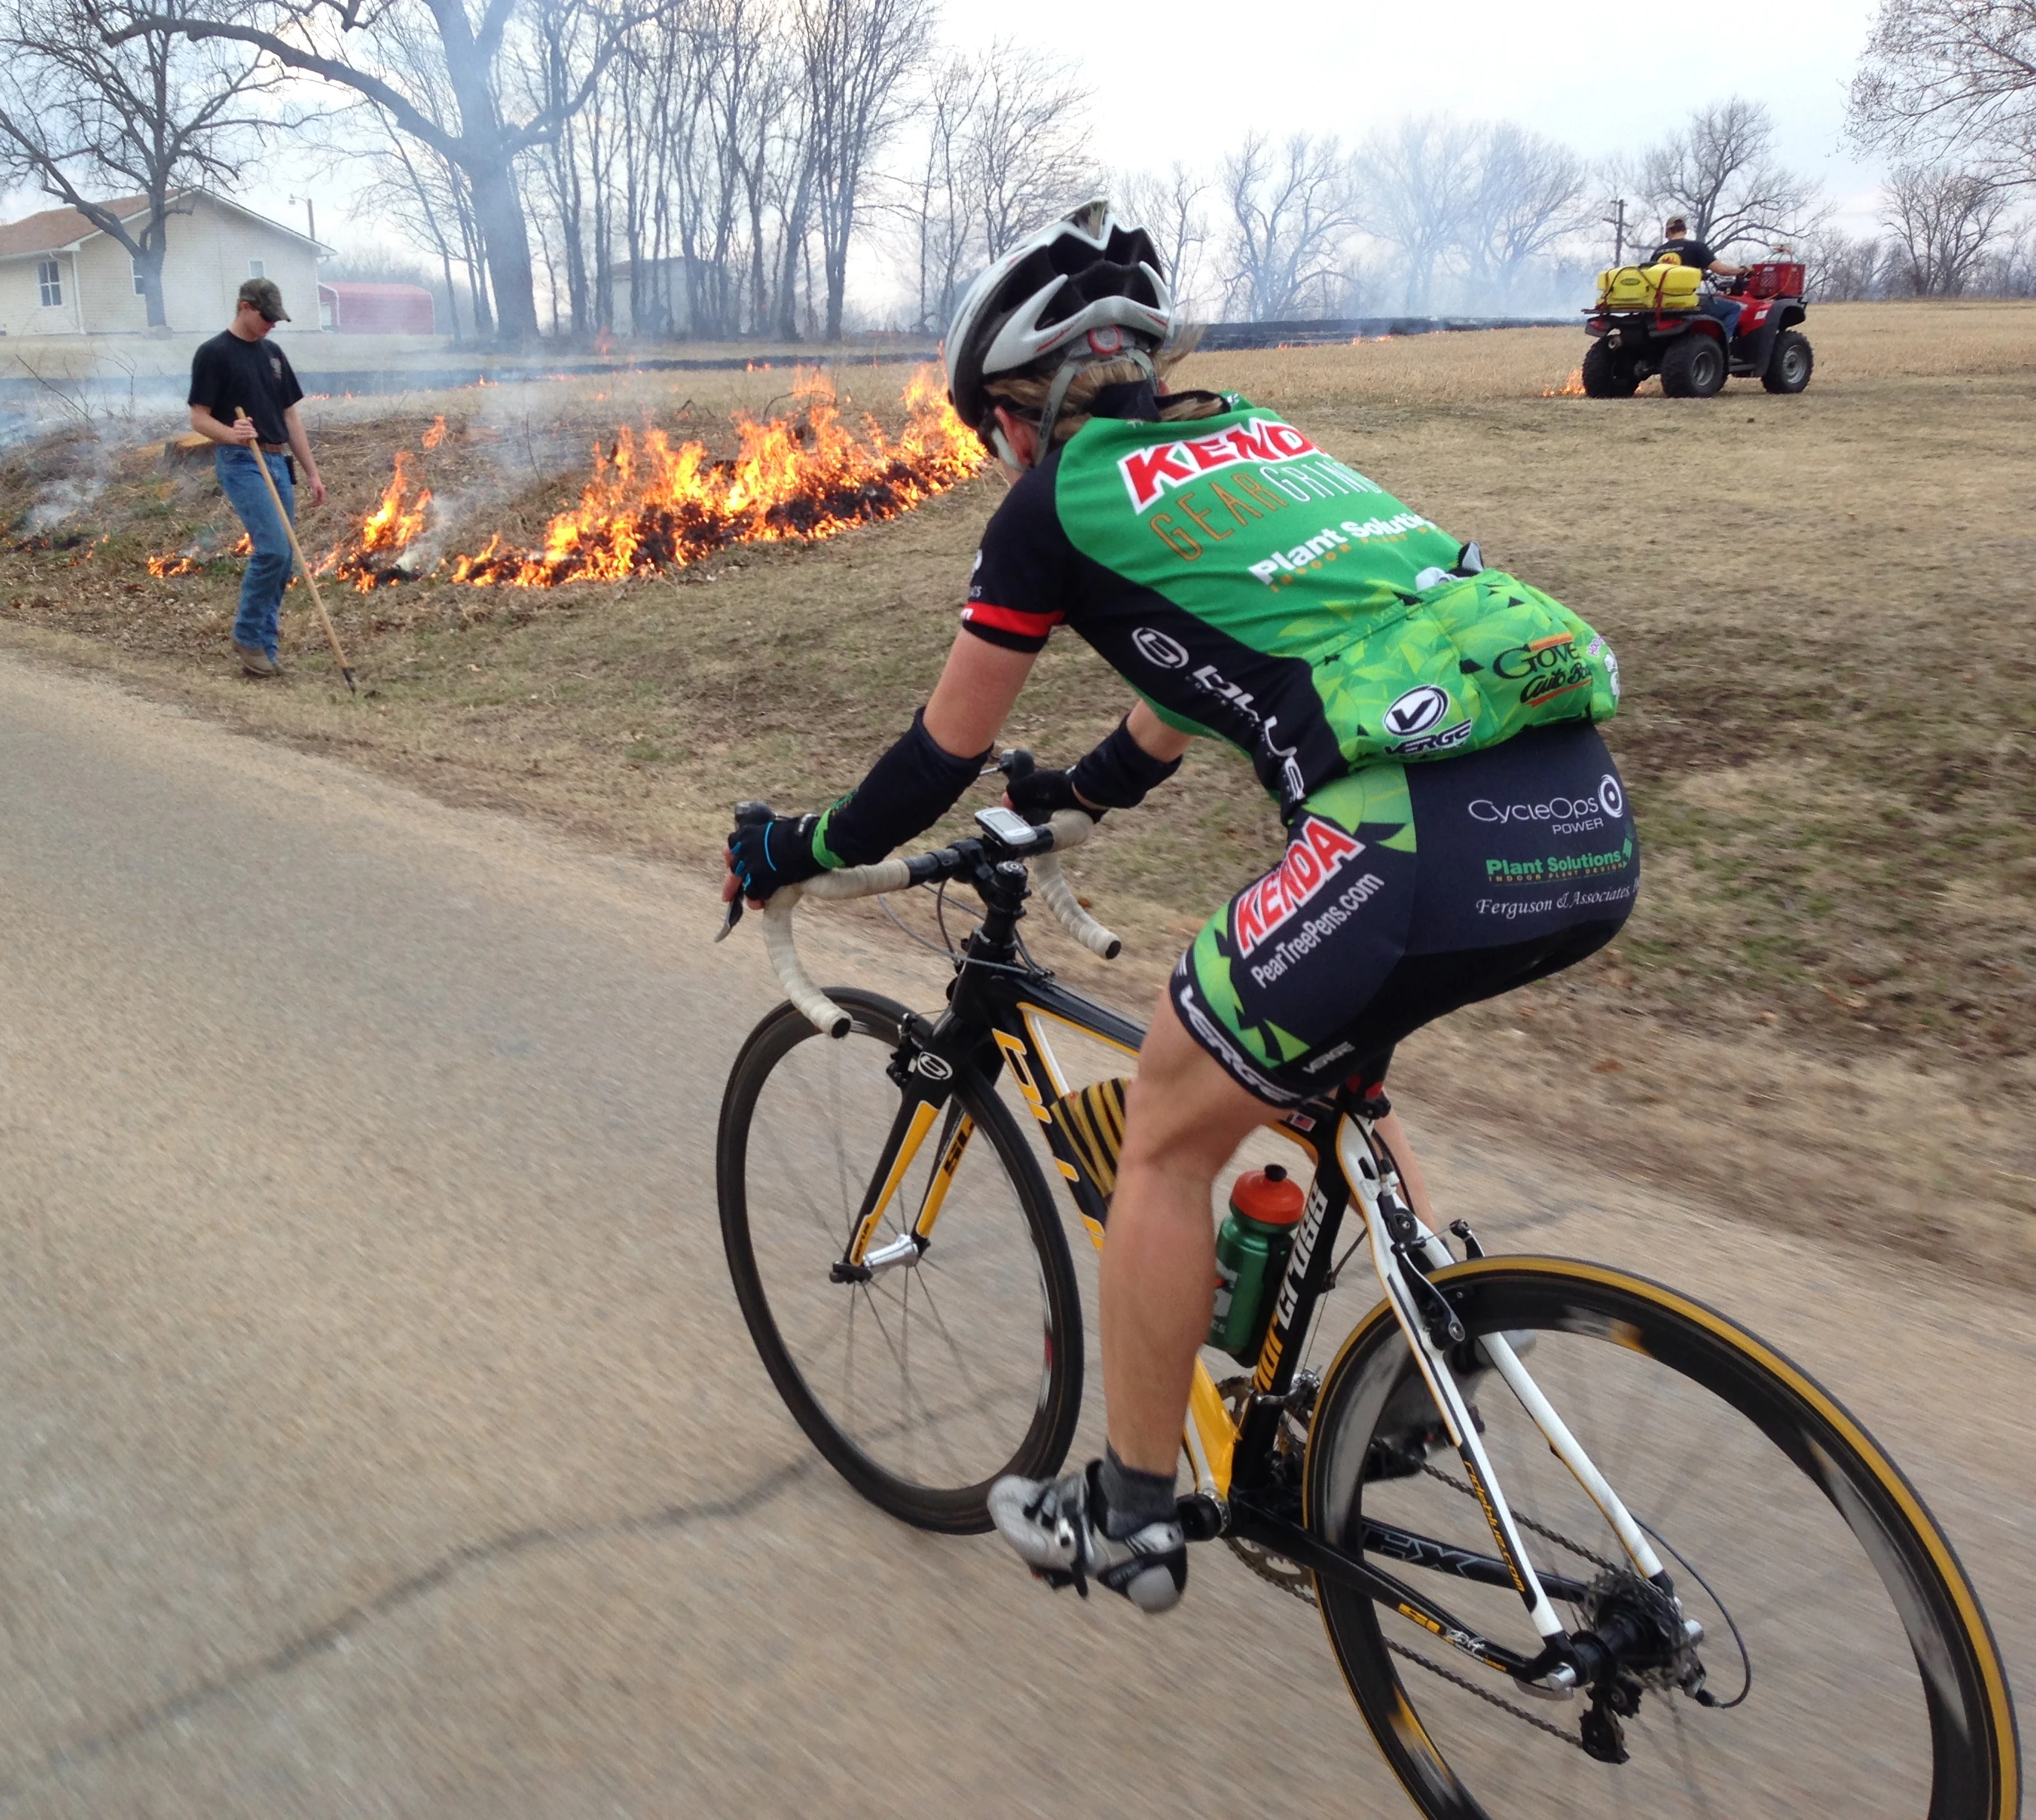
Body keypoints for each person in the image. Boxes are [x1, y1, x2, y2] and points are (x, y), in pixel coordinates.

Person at [722, 201, 1638, 1615]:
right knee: (1335, 1065)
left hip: (1405, 838)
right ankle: (1430, 1346)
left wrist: (798, 845)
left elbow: (943, 752)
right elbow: (1201, 665)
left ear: (1014, 411)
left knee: (1161, 1125)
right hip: (1580, 818)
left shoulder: (1049, 505)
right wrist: (1086, 794)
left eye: (991, 430)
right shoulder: (1255, 439)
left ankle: (1130, 1510)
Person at [188, 278, 329, 679]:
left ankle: (265, 647)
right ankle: (248, 637)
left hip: (278, 460)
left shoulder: (273, 355)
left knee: (285, 560)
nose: (272, 324)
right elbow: (198, 417)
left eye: (276, 319)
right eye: (267, 317)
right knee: (273, 550)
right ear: (245, 307)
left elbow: (290, 416)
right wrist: (231, 434)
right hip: (241, 460)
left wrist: (312, 472)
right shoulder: (214, 353)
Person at [1651, 214, 1750, 346]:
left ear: (1667, 232)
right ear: (1685, 231)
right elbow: (1722, 271)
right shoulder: (1696, 247)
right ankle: (1720, 349)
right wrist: (1742, 270)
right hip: (1688, 303)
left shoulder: (1658, 252)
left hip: (1661, 304)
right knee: (1733, 309)